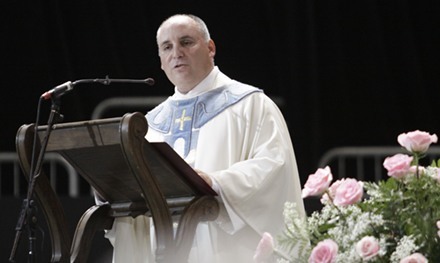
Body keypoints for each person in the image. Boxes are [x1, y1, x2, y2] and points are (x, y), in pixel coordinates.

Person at [104, 14, 305, 263]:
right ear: (161, 62)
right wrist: (108, 187)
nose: (176, 52)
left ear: (210, 48)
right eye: (167, 47)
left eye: (186, 42)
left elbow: (274, 167)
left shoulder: (251, 105)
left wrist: (216, 183)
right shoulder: (149, 125)